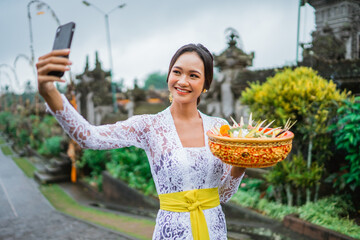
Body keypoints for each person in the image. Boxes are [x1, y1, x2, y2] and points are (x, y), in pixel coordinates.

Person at [36, 43, 246, 240]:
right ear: (168, 75)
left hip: (214, 230)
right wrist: (49, 91)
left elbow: (222, 195)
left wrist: (239, 167)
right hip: (172, 232)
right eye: (177, 72)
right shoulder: (149, 126)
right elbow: (89, 137)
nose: (182, 81)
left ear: (205, 84)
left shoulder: (219, 128)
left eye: (193, 75)